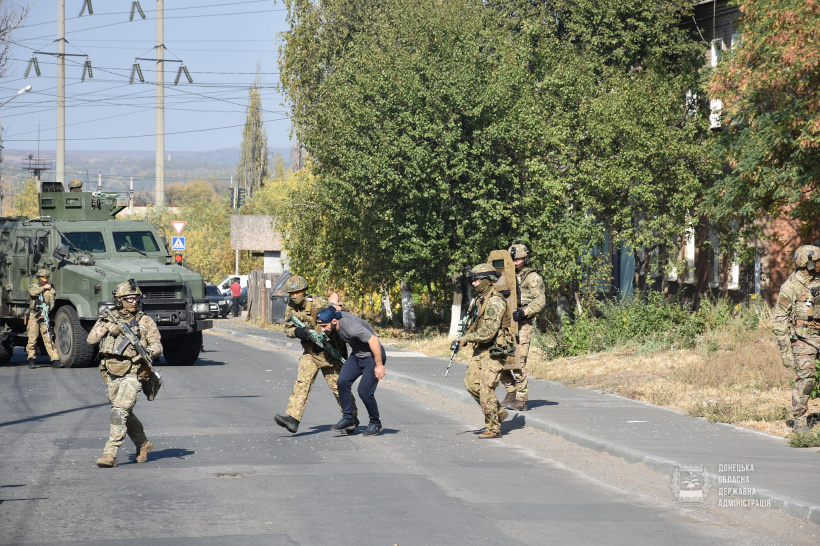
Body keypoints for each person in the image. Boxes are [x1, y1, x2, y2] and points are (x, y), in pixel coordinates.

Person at [87, 280, 162, 467]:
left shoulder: (145, 321)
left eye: (136, 298)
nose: (134, 302)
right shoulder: (108, 317)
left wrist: (147, 353)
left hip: (134, 371)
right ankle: (143, 444)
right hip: (111, 371)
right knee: (123, 412)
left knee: (119, 411)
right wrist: (107, 328)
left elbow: (157, 345)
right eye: (129, 298)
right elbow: (91, 339)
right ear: (119, 300)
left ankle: (109, 454)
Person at [273, 276, 355, 434]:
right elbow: (287, 328)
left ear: (304, 291)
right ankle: (293, 418)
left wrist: (332, 309)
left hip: (330, 352)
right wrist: (297, 331)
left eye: (298, 292)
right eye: (292, 293)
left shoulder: (318, 302)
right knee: (302, 382)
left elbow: (343, 308)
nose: (295, 296)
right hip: (311, 352)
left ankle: (351, 418)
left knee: (339, 387)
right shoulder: (291, 307)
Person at [772, 244, 820, 433]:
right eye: (817, 262)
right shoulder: (791, 286)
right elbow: (780, 319)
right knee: (806, 380)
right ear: (808, 264)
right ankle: (800, 421)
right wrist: (785, 349)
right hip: (803, 339)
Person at [317, 307, 386, 436]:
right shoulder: (333, 317)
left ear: (334, 321)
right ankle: (349, 419)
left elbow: (374, 341)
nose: (323, 329)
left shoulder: (351, 327)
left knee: (364, 392)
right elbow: (334, 302)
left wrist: (379, 365)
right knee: (342, 381)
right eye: (320, 326)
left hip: (372, 356)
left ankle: (375, 422)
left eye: (325, 326)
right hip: (357, 355)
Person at [462, 263, 511, 439]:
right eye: (472, 280)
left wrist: (467, 339)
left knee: (486, 388)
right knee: (471, 384)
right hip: (481, 349)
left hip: (494, 350)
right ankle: (498, 411)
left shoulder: (495, 301)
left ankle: (493, 428)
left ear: (486, 281)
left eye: (476, 280)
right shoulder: (480, 299)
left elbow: (489, 331)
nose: (473, 284)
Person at [500, 242, 546, 411]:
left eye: (518, 260)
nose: (515, 263)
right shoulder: (503, 276)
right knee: (499, 358)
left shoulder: (532, 277)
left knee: (518, 360)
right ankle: (511, 390)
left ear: (525, 259)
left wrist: (524, 312)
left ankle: (521, 398)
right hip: (504, 323)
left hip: (522, 323)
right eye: (512, 260)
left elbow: (540, 301)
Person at [27, 268, 61, 369]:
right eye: (43, 277)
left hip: (44, 316)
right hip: (34, 316)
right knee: (32, 339)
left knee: (48, 338)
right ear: (38, 277)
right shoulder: (34, 286)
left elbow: (52, 303)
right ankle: (31, 359)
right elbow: (33, 293)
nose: (45, 279)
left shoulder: (50, 290)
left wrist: (45, 312)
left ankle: (55, 359)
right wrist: (43, 288)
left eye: (47, 277)